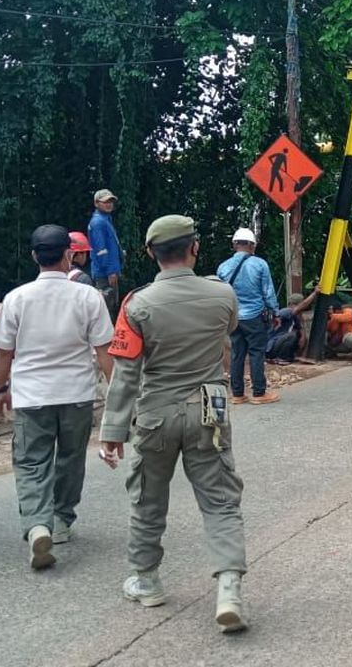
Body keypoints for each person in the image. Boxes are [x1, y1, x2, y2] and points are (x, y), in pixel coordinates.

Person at [99, 214, 249, 634]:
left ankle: (146, 581)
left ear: (150, 253)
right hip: (210, 408)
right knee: (220, 498)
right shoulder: (222, 296)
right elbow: (229, 332)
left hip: (155, 412)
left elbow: (125, 374)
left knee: (148, 498)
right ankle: (229, 588)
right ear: (195, 247)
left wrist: (112, 432)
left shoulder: (137, 304)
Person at [0, 224, 115, 570]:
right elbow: (105, 350)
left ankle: (37, 524)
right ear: (69, 255)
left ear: (34, 256)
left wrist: (0, 390)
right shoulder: (88, 297)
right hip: (76, 394)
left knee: (31, 462)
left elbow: (3, 352)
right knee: (71, 459)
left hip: (32, 396)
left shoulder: (17, 298)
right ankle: (60, 521)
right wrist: (117, 394)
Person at [215, 228, 280, 404]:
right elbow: (268, 292)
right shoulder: (260, 264)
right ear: (252, 245)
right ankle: (259, 393)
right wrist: (275, 312)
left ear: (235, 244)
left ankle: (237, 394)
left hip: (233, 318)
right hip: (254, 317)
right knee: (256, 353)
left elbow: (221, 295)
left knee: (237, 353)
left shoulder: (223, 267)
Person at [88, 189, 123, 314]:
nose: (109, 204)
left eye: (111, 201)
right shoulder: (98, 222)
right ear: (96, 203)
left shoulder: (105, 219)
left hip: (108, 271)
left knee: (112, 306)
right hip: (104, 274)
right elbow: (101, 250)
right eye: (105, 201)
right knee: (107, 310)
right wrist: (110, 271)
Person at [267, 288, 319, 364]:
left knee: (301, 336)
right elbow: (299, 308)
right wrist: (315, 293)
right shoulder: (285, 311)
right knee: (292, 335)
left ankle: (294, 357)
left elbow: (302, 332)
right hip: (271, 348)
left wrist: (303, 336)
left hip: (280, 344)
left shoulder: (296, 317)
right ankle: (282, 358)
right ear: (291, 304)